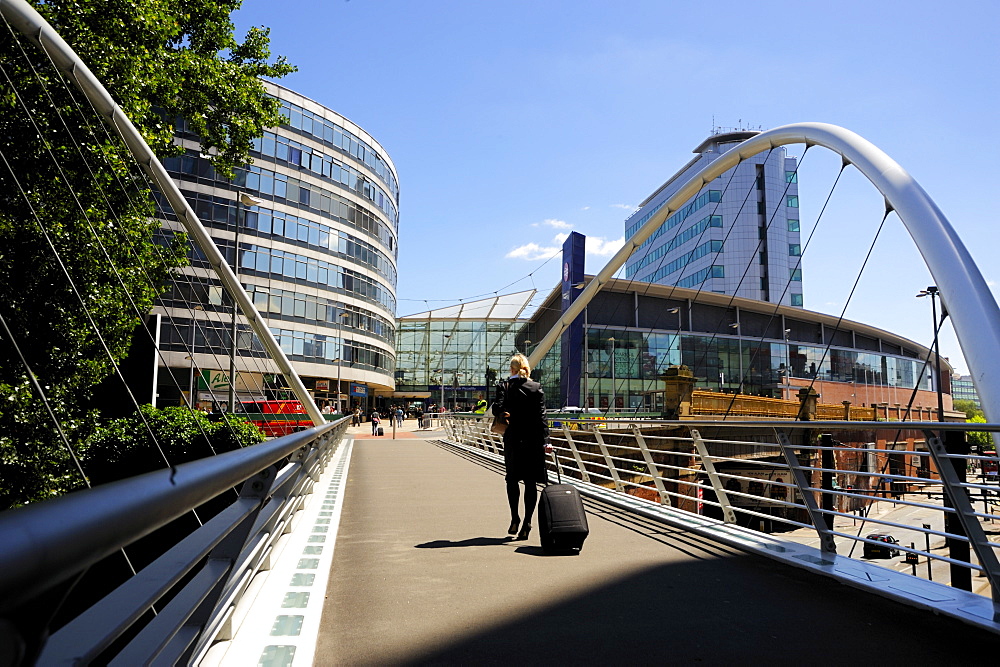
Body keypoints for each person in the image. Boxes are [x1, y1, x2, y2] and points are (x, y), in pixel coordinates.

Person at [492, 353, 550, 541]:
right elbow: (542, 417)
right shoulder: (535, 387)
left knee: (512, 479)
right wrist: (545, 441)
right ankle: (527, 522)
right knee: (531, 482)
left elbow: (496, 409)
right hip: (532, 440)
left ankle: (514, 518)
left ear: (512, 369)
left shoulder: (504, 386)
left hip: (513, 440)